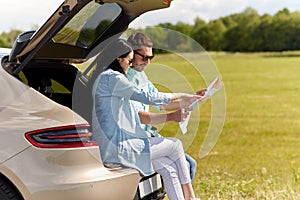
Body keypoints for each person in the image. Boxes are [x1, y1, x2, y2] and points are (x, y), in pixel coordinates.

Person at [92, 39, 200, 200]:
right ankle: (190, 197)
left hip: (117, 146)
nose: (129, 65)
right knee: (176, 145)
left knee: (169, 168)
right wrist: (185, 96)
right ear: (118, 59)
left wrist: (187, 99)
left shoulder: (105, 77)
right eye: (128, 61)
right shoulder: (112, 78)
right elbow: (148, 97)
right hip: (118, 148)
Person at [127, 32, 203, 182]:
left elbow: (162, 103)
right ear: (131, 53)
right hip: (139, 139)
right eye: (144, 57)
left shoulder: (141, 76)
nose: (148, 62)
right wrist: (171, 117)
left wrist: (193, 99)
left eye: (151, 58)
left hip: (150, 135)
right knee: (185, 165)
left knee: (190, 164)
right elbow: (139, 116)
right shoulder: (126, 79)